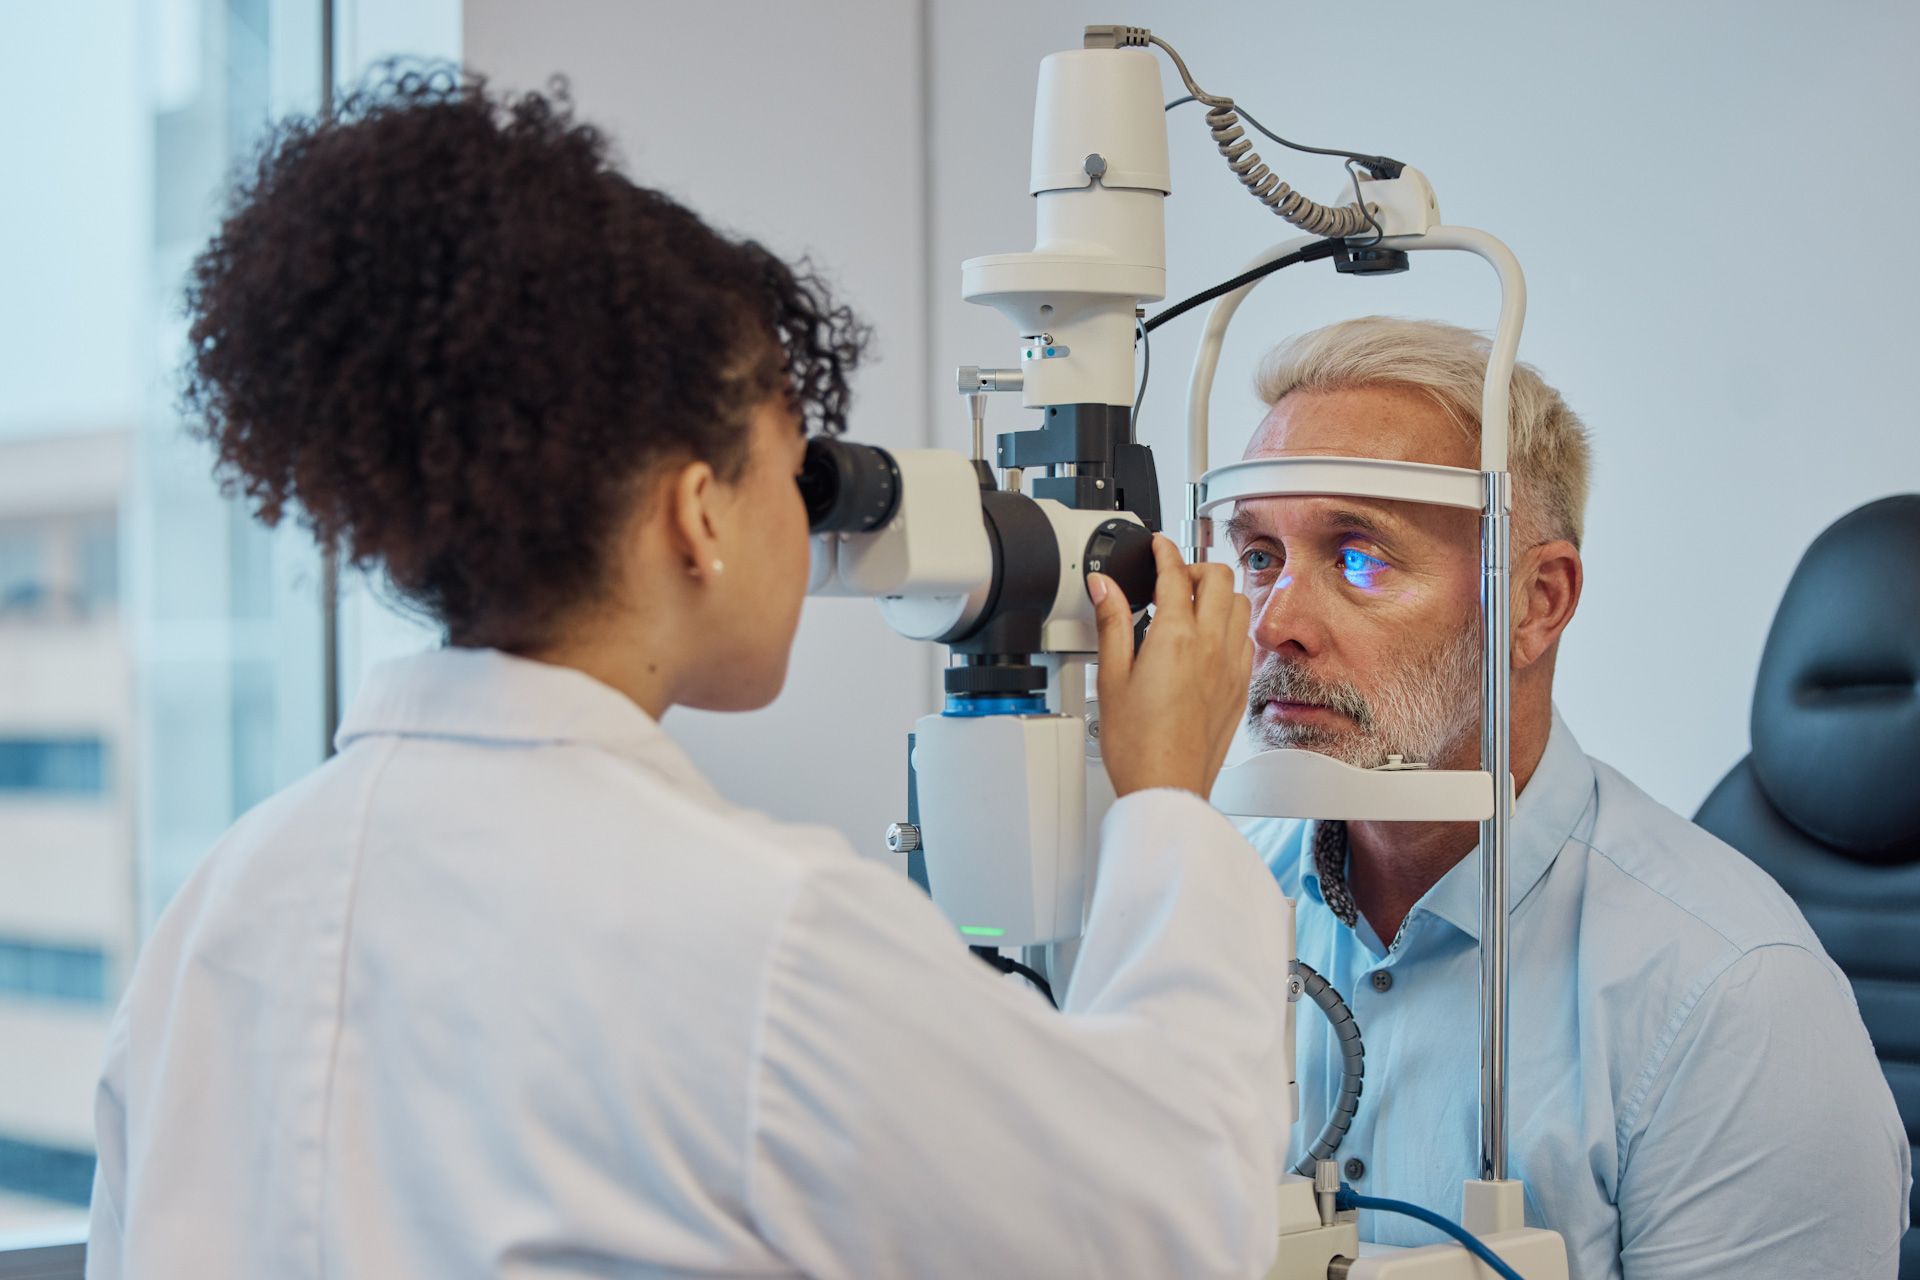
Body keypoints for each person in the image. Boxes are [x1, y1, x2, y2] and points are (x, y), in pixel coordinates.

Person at [85, 70, 1289, 1278]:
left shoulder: (219, 910)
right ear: (696, 509)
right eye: (791, 465)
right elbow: (1175, 1224)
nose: (808, 522)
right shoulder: (767, 937)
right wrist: (1169, 808)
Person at [1227, 315, 1911, 1279]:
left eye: (1360, 557)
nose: (1276, 622)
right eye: (1259, 555)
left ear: (1536, 602)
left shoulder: (1731, 998)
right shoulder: (1215, 906)